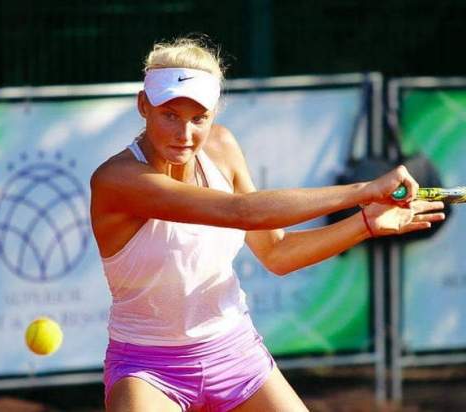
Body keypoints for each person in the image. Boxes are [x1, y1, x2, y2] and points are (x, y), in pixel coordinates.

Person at [89, 36, 445, 412]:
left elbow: (277, 253)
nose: (185, 133)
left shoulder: (222, 148)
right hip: (148, 368)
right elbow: (242, 212)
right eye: (170, 115)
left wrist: (365, 223)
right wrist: (364, 189)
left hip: (235, 352)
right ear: (143, 105)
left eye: (199, 118)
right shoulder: (118, 179)